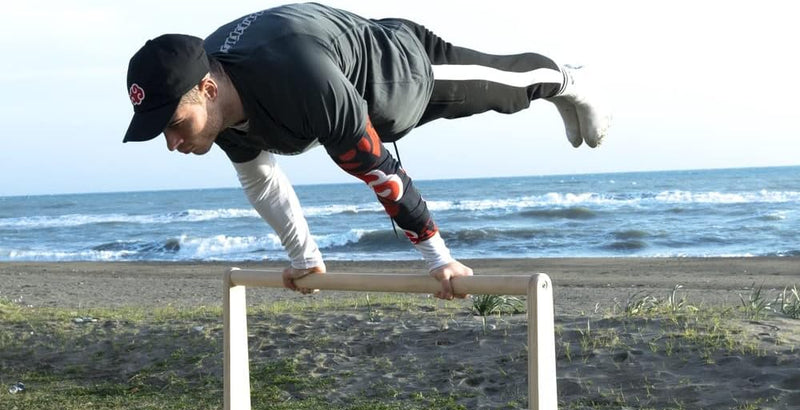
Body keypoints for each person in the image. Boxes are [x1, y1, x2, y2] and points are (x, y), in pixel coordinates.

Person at [123, 3, 609, 298]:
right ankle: (561, 87)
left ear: (208, 89)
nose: (173, 143)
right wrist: (305, 257)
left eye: (173, 125)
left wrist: (439, 259)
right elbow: (262, 181)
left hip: (403, 73)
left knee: (510, 87)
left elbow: (377, 168)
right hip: (341, 62)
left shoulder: (300, 82)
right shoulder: (220, 106)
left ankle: (570, 82)